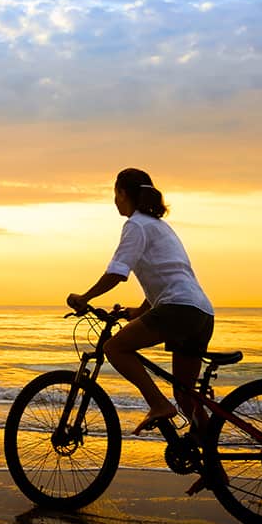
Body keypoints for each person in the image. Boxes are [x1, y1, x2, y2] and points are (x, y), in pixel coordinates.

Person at [67, 167, 215, 437]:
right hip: (200, 312)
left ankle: (158, 404)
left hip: (178, 309)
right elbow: (166, 275)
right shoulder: (159, 226)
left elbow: (117, 272)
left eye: (115, 193)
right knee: (184, 396)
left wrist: (84, 298)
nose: (114, 200)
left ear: (122, 193)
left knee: (114, 348)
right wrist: (140, 311)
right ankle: (213, 468)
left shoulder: (136, 225)